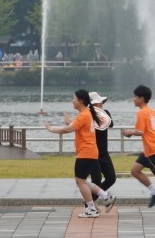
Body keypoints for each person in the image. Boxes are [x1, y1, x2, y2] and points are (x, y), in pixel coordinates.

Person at [46, 89, 116, 218]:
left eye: (74, 98)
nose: (72, 100)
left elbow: (69, 129)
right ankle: (105, 197)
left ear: (81, 100)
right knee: (85, 181)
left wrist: (52, 129)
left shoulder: (85, 114)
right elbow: (76, 127)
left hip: (86, 152)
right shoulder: (88, 114)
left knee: (81, 181)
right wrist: (68, 124)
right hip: (92, 151)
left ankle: (92, 207)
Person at [87, 92, 117, 203]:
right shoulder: (87, 115)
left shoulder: (105, 113)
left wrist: (99, 114)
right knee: (96, 180)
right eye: (100, 103)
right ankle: (89, 204)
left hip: (104, 153)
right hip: (92, 153)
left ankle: (92, 199)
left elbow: (111, 124)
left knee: (111, 178)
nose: (102, 105)